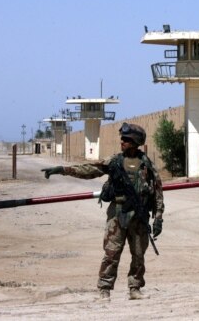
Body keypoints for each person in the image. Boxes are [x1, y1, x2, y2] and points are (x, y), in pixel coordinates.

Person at [41, 123, 164, 300]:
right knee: (111, 253)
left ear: (136, 142)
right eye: (122, 139)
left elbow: (158, 192)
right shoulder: (114, 161)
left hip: (139, 216)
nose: (122, 142)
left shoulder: (147, 165)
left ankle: (135, 288)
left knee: (138, 255)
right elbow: (89, 170)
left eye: (127, 139)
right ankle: (104, 289)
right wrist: (63, 170)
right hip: (117, 214)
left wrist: (158, 217)